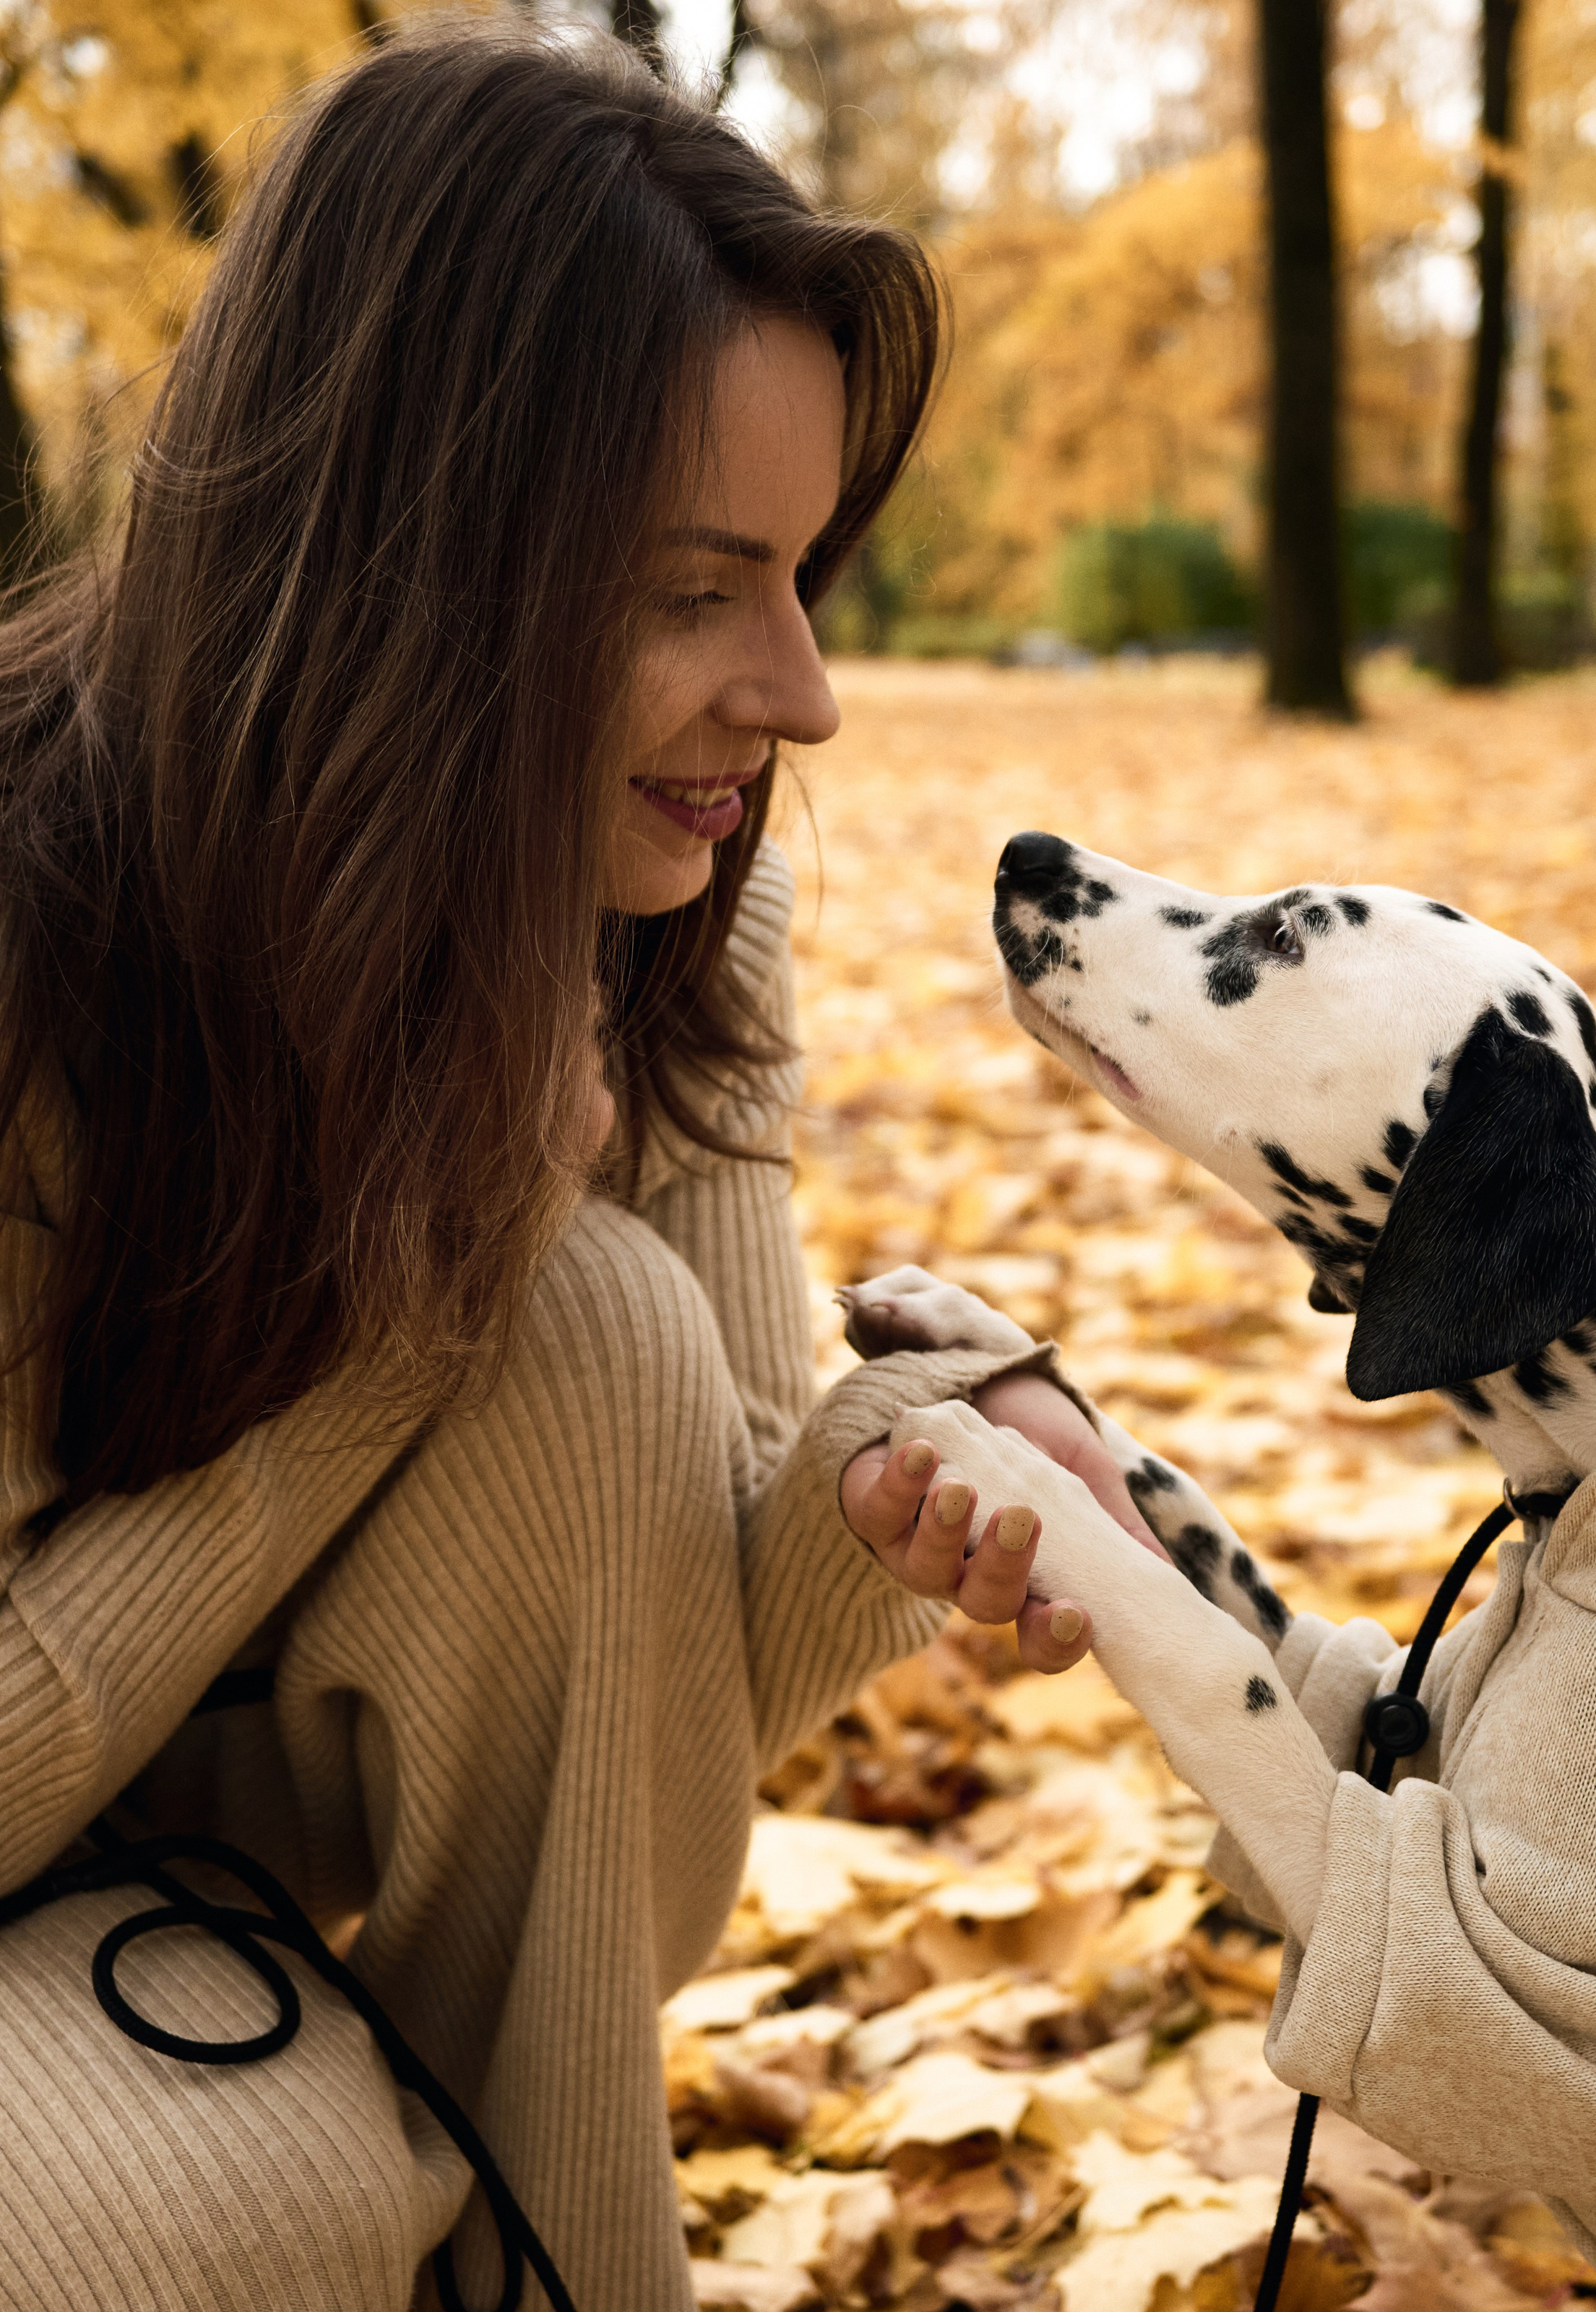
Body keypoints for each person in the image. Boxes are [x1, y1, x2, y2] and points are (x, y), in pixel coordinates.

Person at [0, 22, 1152, 2309]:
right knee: (212, 2222)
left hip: (175, 1869)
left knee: (601, 1329)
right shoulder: (43, 915)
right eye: (688, 590)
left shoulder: (658, 906)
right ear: (401, 569)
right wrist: (415, 1295)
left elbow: (660, 1663)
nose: (803, 693)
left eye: (805, 572)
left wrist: (921, 1456)